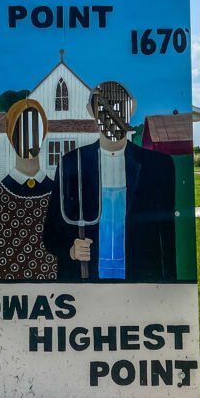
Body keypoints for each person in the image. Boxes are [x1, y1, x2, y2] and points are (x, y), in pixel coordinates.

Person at [43, 81, 176, 282]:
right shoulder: (72, 164)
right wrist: (71, 250)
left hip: (139, 282)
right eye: (104, 109)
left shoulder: (158, 167)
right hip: (88, 282)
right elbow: (52, 232)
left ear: (132, 108)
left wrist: (168, 289)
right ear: (91, 111)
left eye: (119, 108)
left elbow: (166, 236)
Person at [0, 98, 58, 281]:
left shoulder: (61, 200)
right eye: (21, 129)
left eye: (35, 129)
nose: (29, 138)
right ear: (11, 135)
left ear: (44, 133)